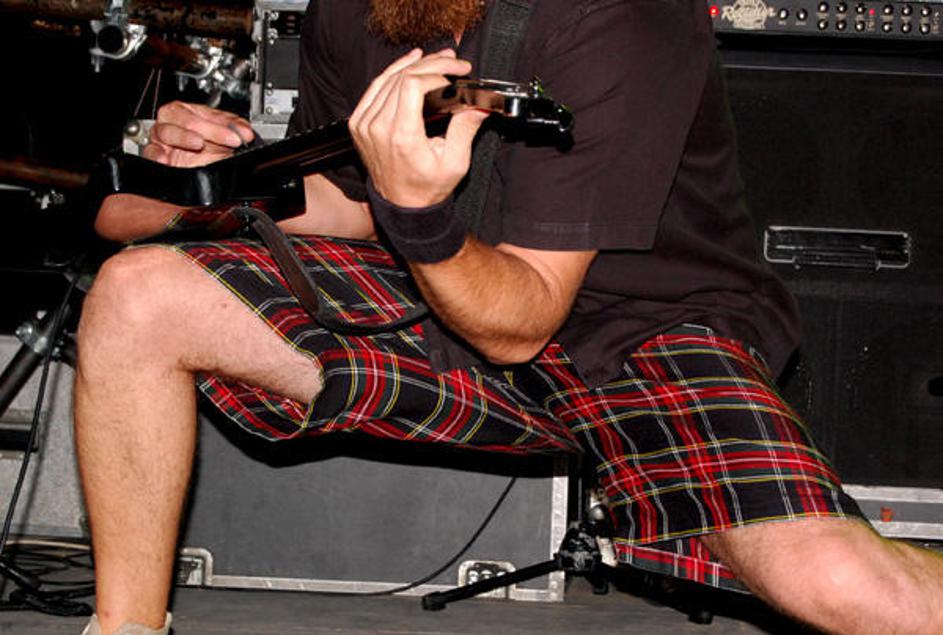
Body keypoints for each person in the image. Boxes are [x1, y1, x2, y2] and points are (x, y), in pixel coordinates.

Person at [74, 0, 943, 633]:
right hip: (437, 288)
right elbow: (346, 202)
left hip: (642, 331)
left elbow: (520, 320)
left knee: (835, 582)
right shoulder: (357, 8)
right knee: (140, 294)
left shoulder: (620, 17)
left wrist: (416, 211)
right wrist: (212, 177)